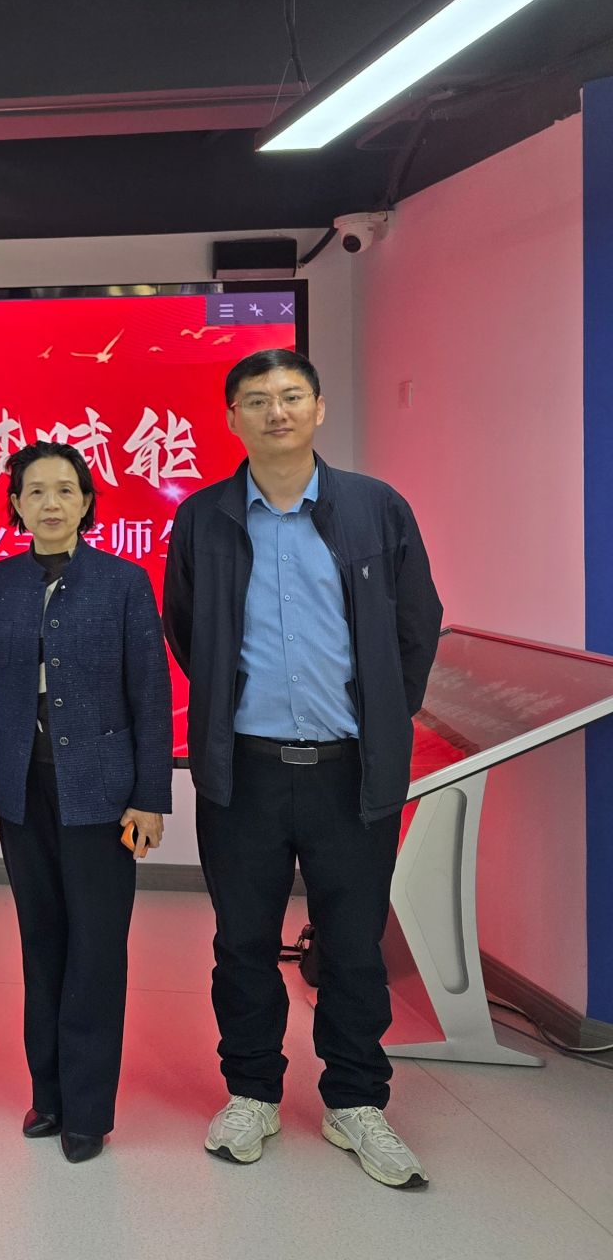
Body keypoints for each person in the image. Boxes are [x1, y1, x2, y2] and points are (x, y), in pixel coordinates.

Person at [164, 348, 442, 1189]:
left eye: (291, 396)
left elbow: (416, 625)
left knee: (352, 945)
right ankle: (251, 1092)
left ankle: (355, 1101)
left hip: (348, 771)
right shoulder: (204, 518)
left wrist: (381, 714)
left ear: (318, 408)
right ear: (233, 418)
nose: (275, 411)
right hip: (243, 772)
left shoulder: (374, 507)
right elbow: (188, 628)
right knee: (241, 942)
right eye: (257, 400)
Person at [0, 441, 171, 1163]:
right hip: (23, 791)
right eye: (35, 491)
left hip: (105, 796)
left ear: (86, 503)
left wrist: (150, 796)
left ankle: (88, 1109)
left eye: (65, 490)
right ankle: (47, 1095)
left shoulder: (123, 582)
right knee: (42, 942)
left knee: (97, 950)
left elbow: (151, 694)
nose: (50, 503)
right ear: (15, 505)